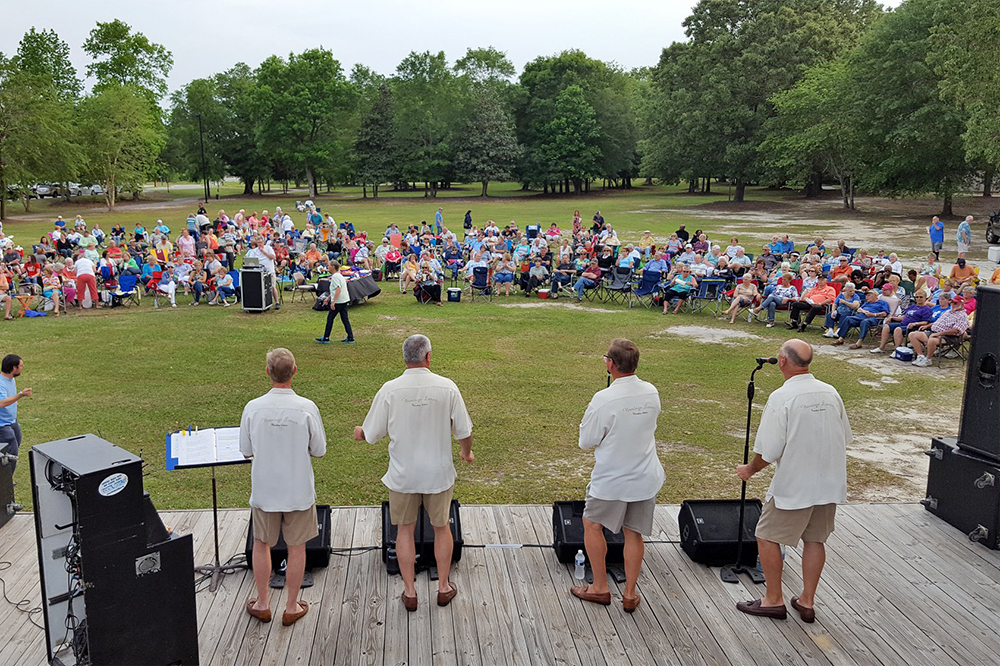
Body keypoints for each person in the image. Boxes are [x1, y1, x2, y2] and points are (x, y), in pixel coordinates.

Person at [354, 335, 474, 612]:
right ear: (428, 356)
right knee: (441, 528)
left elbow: (371, 434)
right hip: (438, 474)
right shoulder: (447, 387)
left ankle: (410, 592)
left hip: (403, 475)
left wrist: (360, 433)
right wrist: (466, 452)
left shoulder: (390, 389)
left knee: (404, 531)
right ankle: (443, 587)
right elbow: (464, 431)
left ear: (405, 358)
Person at [736, 340, 850, 622]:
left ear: (783, 361)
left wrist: (749, 470)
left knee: (766, 536)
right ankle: (807, 601)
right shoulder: (831, 392)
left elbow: (769, 450)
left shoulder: (782, 397)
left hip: (795, 485)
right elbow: (845, 436)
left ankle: (773, 600)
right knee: (815, 540)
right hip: (829, 483)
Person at [571, 339, 664, 613]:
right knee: (633, 533)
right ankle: (630, 593)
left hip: (612, 478)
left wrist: (591, 412)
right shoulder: (651, 391)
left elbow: (585, 441)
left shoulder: (604, 399)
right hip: (644, 475)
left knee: (592, 524)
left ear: (610, 364)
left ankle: (600, 587)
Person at [240, 349, 326, 627]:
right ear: (295, 371)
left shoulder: (253, 407)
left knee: (261, 544)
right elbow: (319, 450)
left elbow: (245, 450)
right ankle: (291, 606)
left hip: (265, 490)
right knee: (297, 548)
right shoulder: (306, 407)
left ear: (268, 372)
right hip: (298, 491)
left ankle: (263, 603)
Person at [908, 295, 970, 367]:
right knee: (913, 334)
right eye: (952, 303)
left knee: (932, 340)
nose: (953, 305)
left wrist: (939, 334)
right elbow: (938, 322)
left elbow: (955, 331)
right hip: (934, 332)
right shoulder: (948, 311)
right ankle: (920, 356)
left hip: (949, 336)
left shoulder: (962, 316)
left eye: (955, 303)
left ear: (962, 304)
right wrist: (927, 326)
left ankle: (928, 359)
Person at [316, 261, 354, 343]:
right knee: (345, 319)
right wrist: (328, 298)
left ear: (333, 267)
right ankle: (350, 337)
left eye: (329, 265)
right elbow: (335, 290)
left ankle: (326, 338)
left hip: (339, 302)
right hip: (344, 300)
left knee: (330, 318)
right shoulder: (339, 275)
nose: (328, 267)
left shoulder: (335, 277)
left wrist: (333, 302)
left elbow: (338, 289)